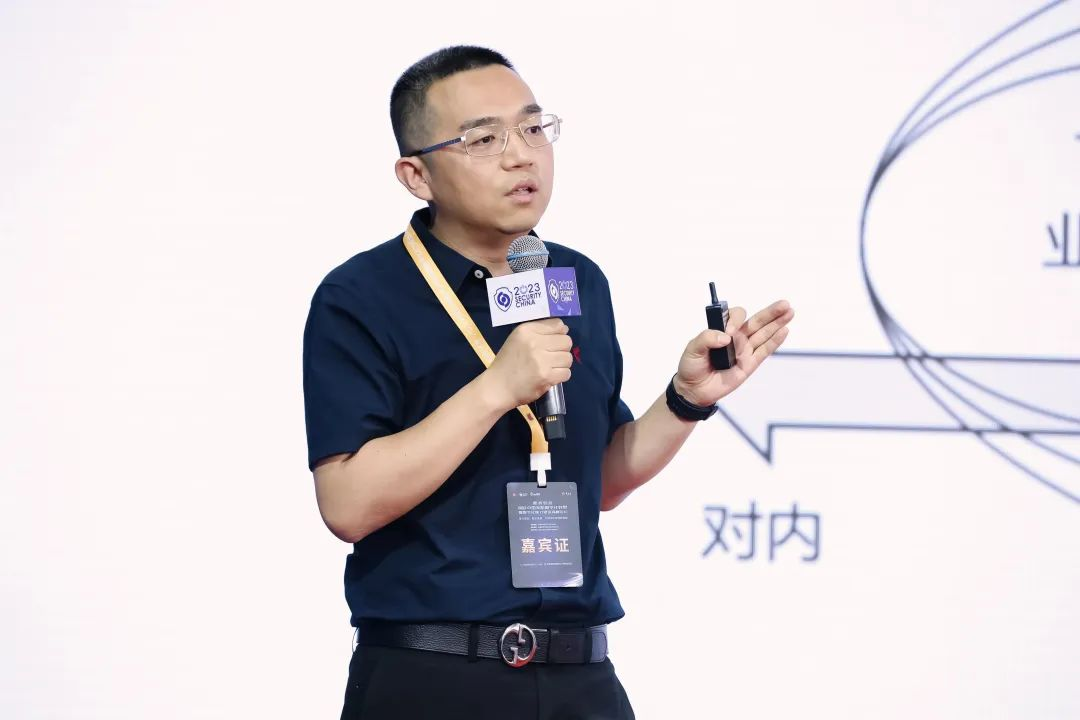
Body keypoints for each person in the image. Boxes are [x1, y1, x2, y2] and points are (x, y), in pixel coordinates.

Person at [302, 45, 794, 720]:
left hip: (578, 674)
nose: (521, 156)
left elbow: (601, 482)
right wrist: (496, 388)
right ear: (416, 175)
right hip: (432, 674)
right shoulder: (362, 296)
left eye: (534, 128)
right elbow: (348, 504)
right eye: (484, 139)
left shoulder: (574, 280)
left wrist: (686, 401)